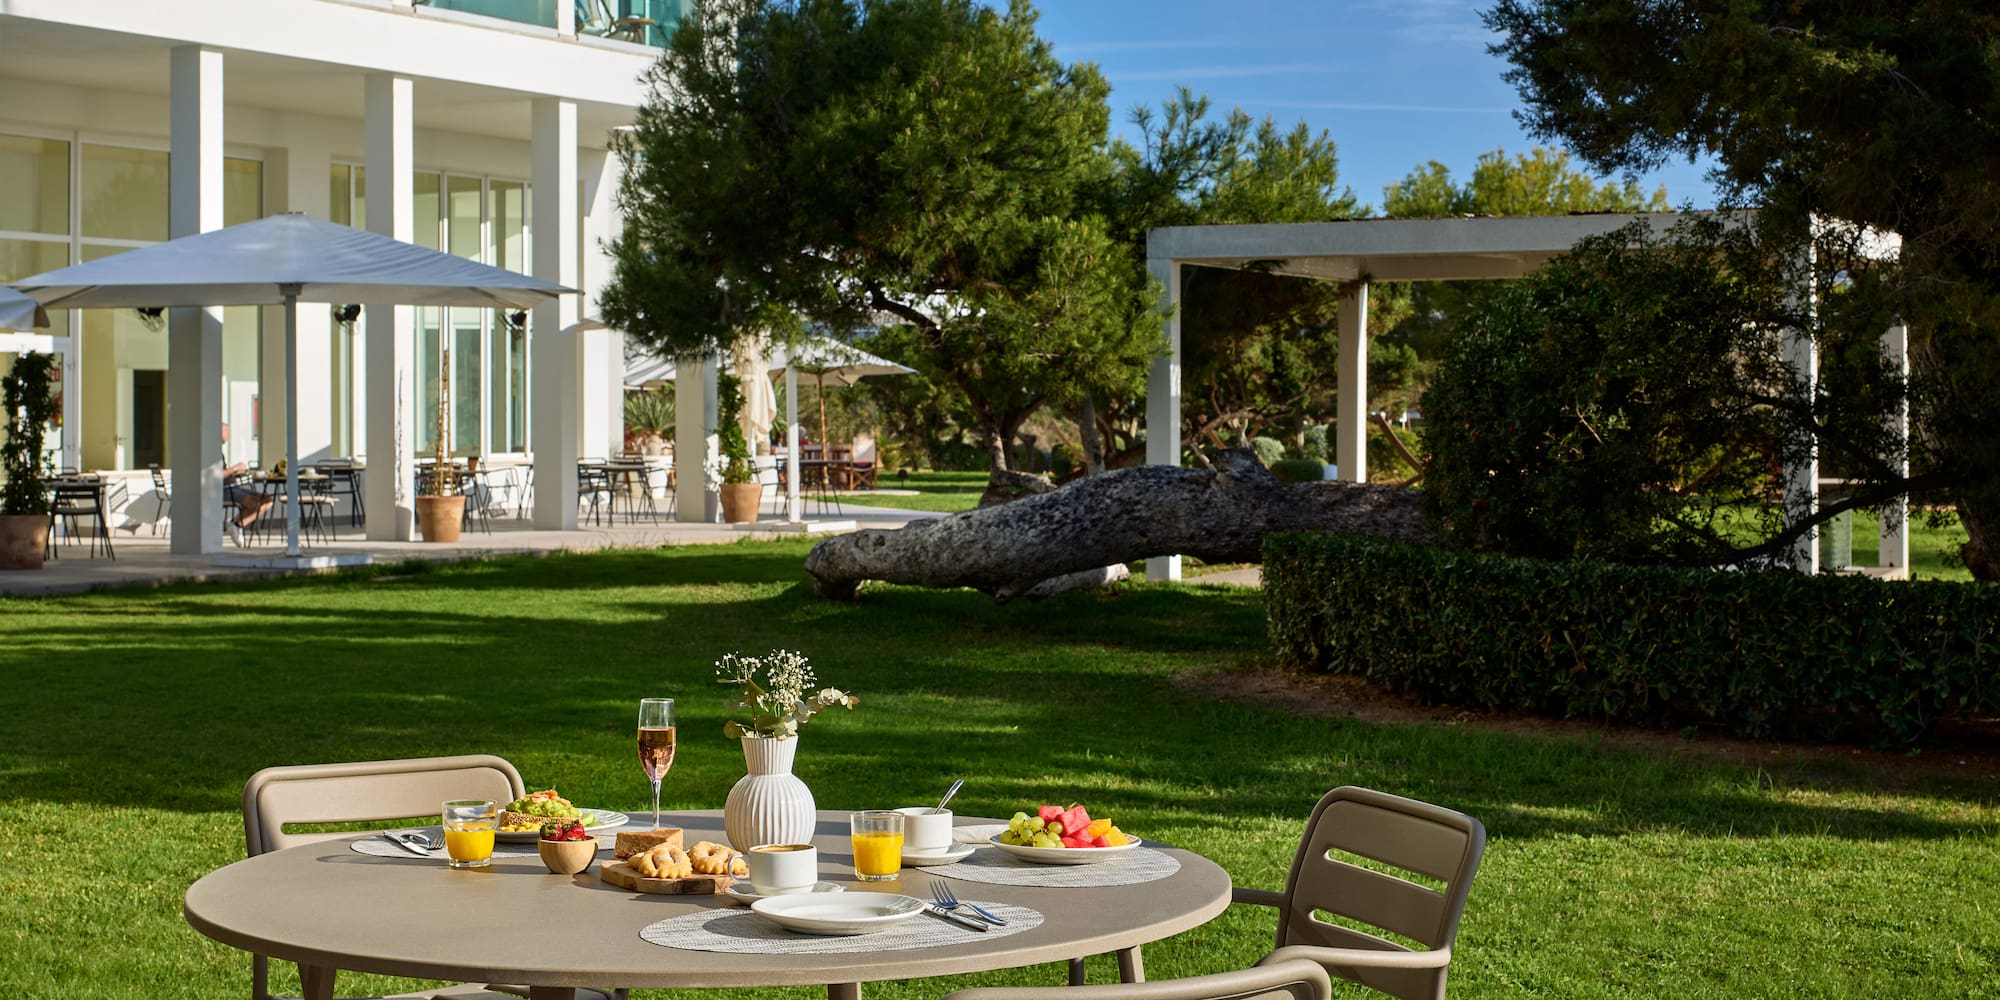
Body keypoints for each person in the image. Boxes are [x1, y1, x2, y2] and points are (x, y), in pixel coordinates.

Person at [221, 424, 272, 546]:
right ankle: (236, 525)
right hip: (225, 490)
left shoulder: (219, 451)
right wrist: (235, 468)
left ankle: (236, 523)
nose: (228, 435)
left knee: (267, 500)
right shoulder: (212, 453)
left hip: (233, 487)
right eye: (226, 431)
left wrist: (237, 472)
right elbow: (218, 475)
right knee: (254, 503)